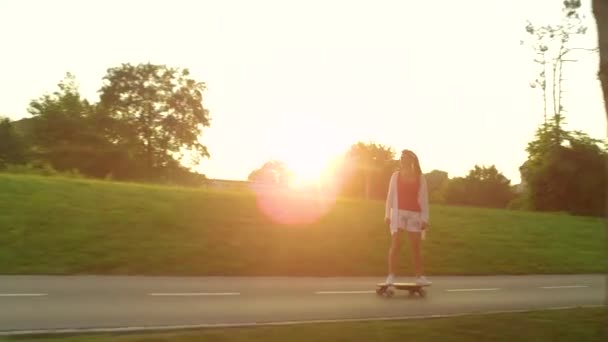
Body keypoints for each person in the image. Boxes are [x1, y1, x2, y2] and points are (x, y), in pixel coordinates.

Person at [383, 149, 431, 286]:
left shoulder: (420, 177)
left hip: (415, 214)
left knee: (415, 246)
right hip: (398, 213)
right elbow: (390, 196)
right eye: (401, 157)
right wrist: (387, 215)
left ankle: (420, 277)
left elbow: (424, 199)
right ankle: (391, 276)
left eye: (405, 158)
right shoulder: (395, 176)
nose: (402, 160)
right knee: (396, 245)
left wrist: (425, 219)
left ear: (412, 160)